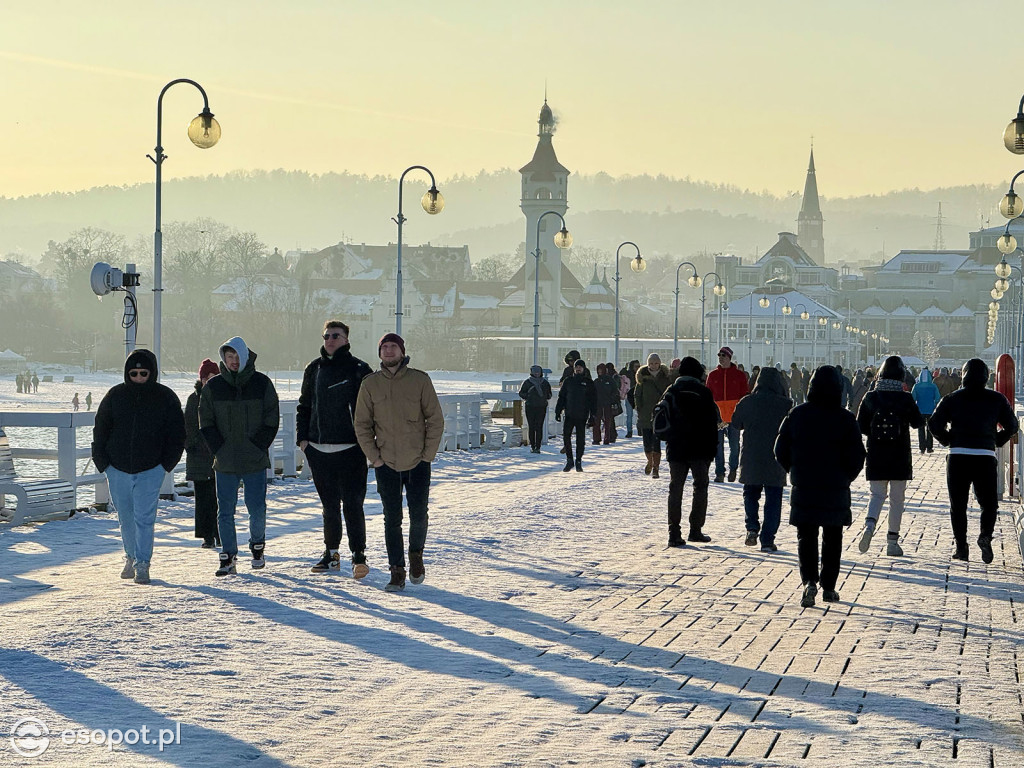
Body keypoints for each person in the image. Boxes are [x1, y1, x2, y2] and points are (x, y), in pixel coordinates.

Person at [355, 333, 444, 592]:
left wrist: (427, 455)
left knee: (418, 514)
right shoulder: (370, 384)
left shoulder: (419, 380)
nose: (389, 351)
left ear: (402, 351)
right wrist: (375, 457)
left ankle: (416, 554)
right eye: (384, 347)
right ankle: (397, 570)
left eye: (393, 346)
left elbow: (435, 420)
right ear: (379, 352)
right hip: (386, 464)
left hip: (417, 461)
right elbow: (362, 425)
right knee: (391, 519)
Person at [91, 349, 185, 585]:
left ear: (152, 372)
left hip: (151, 468)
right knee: (125, 516)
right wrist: (103, 463)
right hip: (117, 467)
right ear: (127, 373)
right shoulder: (115, 396)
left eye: (144, 373)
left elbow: (177, 434)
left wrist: (166, 464)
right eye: (134, 373)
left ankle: (143, 563)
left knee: (145, 516)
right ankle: (130, 557)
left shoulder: (166, 397)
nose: (139, 377)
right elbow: (100, 429)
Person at [775, 366, 865, 607]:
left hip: (805, 485)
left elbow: (779, 449)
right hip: (835, 487)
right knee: (833, 537)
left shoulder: (798, 414)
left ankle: (809, 582)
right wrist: (846, 477)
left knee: (806, 536)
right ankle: (829, 586)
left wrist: (794, 471)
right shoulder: (846, 419)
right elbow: (858, 455)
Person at [297, 321, 374, 577]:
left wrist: (369, 444)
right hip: (319, 449)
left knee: (353, 504)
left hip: (351, 449)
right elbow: (304, 406)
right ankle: (331, 555)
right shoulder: (314, 369)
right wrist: (303, 440)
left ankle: (359, 556)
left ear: (346, 339)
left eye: (335, 336)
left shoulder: (359, 369)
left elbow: (372, 411)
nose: (330, 340)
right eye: (327, 336)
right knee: (329, 506)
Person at [200, 337, 280, 577]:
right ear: (223, 358)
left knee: (256, 508)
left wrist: (258, 445)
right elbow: (206, 421)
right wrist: (219, 448)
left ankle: (257, 547)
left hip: (254, 459)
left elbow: (271, 418)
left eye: (236, 356)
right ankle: (228, 555)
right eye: (229, 356)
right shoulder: (213, 387)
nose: (233, 361)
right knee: (225, 510)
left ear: (245, 356)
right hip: (225, 460)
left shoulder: (262, 383)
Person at [930, 359, 1019, 563]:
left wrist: (948, 440)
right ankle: (985, 536)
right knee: (989, 504)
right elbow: (1012, 425)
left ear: (964, 375)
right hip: (985, 457)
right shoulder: (997, 399)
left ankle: (962, 547)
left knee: (958, 505)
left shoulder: (952, 398)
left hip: (959, 455)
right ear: (986, 377)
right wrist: (996, 440)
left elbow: (934, 424)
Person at [855, 356, 924, 557]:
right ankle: (892, 542)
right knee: (897, 499)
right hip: (900, 456)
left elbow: (861, 426)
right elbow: (918, 422)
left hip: (876, 454)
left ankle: (869, 526)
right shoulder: (905, 397)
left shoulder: (871, 397)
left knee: (876, 495)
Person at [660, 357, 720, 546]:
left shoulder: (671, 391)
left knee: (675, 489)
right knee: (700, 487)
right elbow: (713, 423)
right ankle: (695, 529)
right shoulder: (704, 392)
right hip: (699, 449)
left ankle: (674, 533)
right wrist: (712, 450)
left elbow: (662, 415)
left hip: (676, 447)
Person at [732, 366, 792, 552]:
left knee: (750, 494)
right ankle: (767, 539)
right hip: (776, 458)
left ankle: (751, 527)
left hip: (752, 456)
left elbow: (736, 423)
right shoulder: (786, 404)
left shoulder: (747, 401)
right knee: (773, 499)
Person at [185, 358, 220, 548]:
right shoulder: (194, 399)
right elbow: (189, 427)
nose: (209, 380)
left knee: (220, 497)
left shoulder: (222, 398)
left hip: (218, 455)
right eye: (207, 377)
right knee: (203, 498)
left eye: (214, 377)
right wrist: (193, 445)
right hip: (199, 456)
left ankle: (219, 532)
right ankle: (207, 535)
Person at [706, 346, 749, 483]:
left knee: (734, 445)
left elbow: (744, 396)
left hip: (733, 416)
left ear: (729, 357)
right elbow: (708, 395)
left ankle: (733, 469)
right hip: (718, 417)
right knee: (717, 446)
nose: (721, 358)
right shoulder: (713, 375)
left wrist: (742, 414)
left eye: (723, 356)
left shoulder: (739, 375)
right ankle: (720, 473)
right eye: (719, 356)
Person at [554, 358, 596, 473]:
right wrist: (558, 411)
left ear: (584, 368)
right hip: (569, 414)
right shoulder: (568, 381)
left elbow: (593, 401)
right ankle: (569, 460)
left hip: (582, 415)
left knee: (580, 439)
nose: (578, 369)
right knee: (566, 437)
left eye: (580, 367)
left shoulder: (588, 383)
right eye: (576, 367)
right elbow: (562, 397)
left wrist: (593, 416)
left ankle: (578, 461)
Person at [634, 353, 672, 478]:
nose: (653, 366)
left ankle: (656, 468)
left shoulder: (665, 377)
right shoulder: (642, 378)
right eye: (651, 363)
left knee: (656, 442)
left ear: (660, 363)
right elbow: (637, 395)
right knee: (646, 442)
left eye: (656, 363)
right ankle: (650, 461)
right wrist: (639, 408)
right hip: (645, 414)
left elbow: (669, 393)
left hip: (659, 414)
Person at [519, 364, 552, 453]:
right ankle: (533, 446)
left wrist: (545, 396)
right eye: (535, 371)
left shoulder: (545, 383)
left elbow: (549, 394)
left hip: (541, 407)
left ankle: (538, 446)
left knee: (539, 427)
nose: (537, 373)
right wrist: (528, 396)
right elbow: (521, 393)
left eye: (538, 371)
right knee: (532, 427)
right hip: (530, 407)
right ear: (532, 373)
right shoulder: (527, 382)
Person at [911, 368, 941, 453]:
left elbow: (913, 398)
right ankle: (929, 447)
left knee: (921, 429)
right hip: (930, 409)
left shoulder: (916, 386)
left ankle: (922, 447)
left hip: (920, 409)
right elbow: (937, 397)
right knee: (929, 429)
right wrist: (935, 404)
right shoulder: (933, 386)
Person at [592, 363, 618, 445]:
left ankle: (608, 438)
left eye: (601, 370)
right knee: (596, 422)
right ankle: (596, 439)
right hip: (597, 404)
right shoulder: (596, 381)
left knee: (608, 422)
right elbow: (592, 393)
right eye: (598, 370)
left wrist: (612, 399)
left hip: (608, 404)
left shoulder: (610, 381)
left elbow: (615, 391)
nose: (600, 372)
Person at [621, 360, 641, 438]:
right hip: (629, 396)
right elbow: (621, 374)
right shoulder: (628, 374)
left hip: (638, 396)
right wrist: (624, 368)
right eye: (636, 366)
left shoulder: (640, 374)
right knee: (629, 415)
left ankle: (640, 429)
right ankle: (629, 431)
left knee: (640, 414)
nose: (637, 368)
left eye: (638, 366)